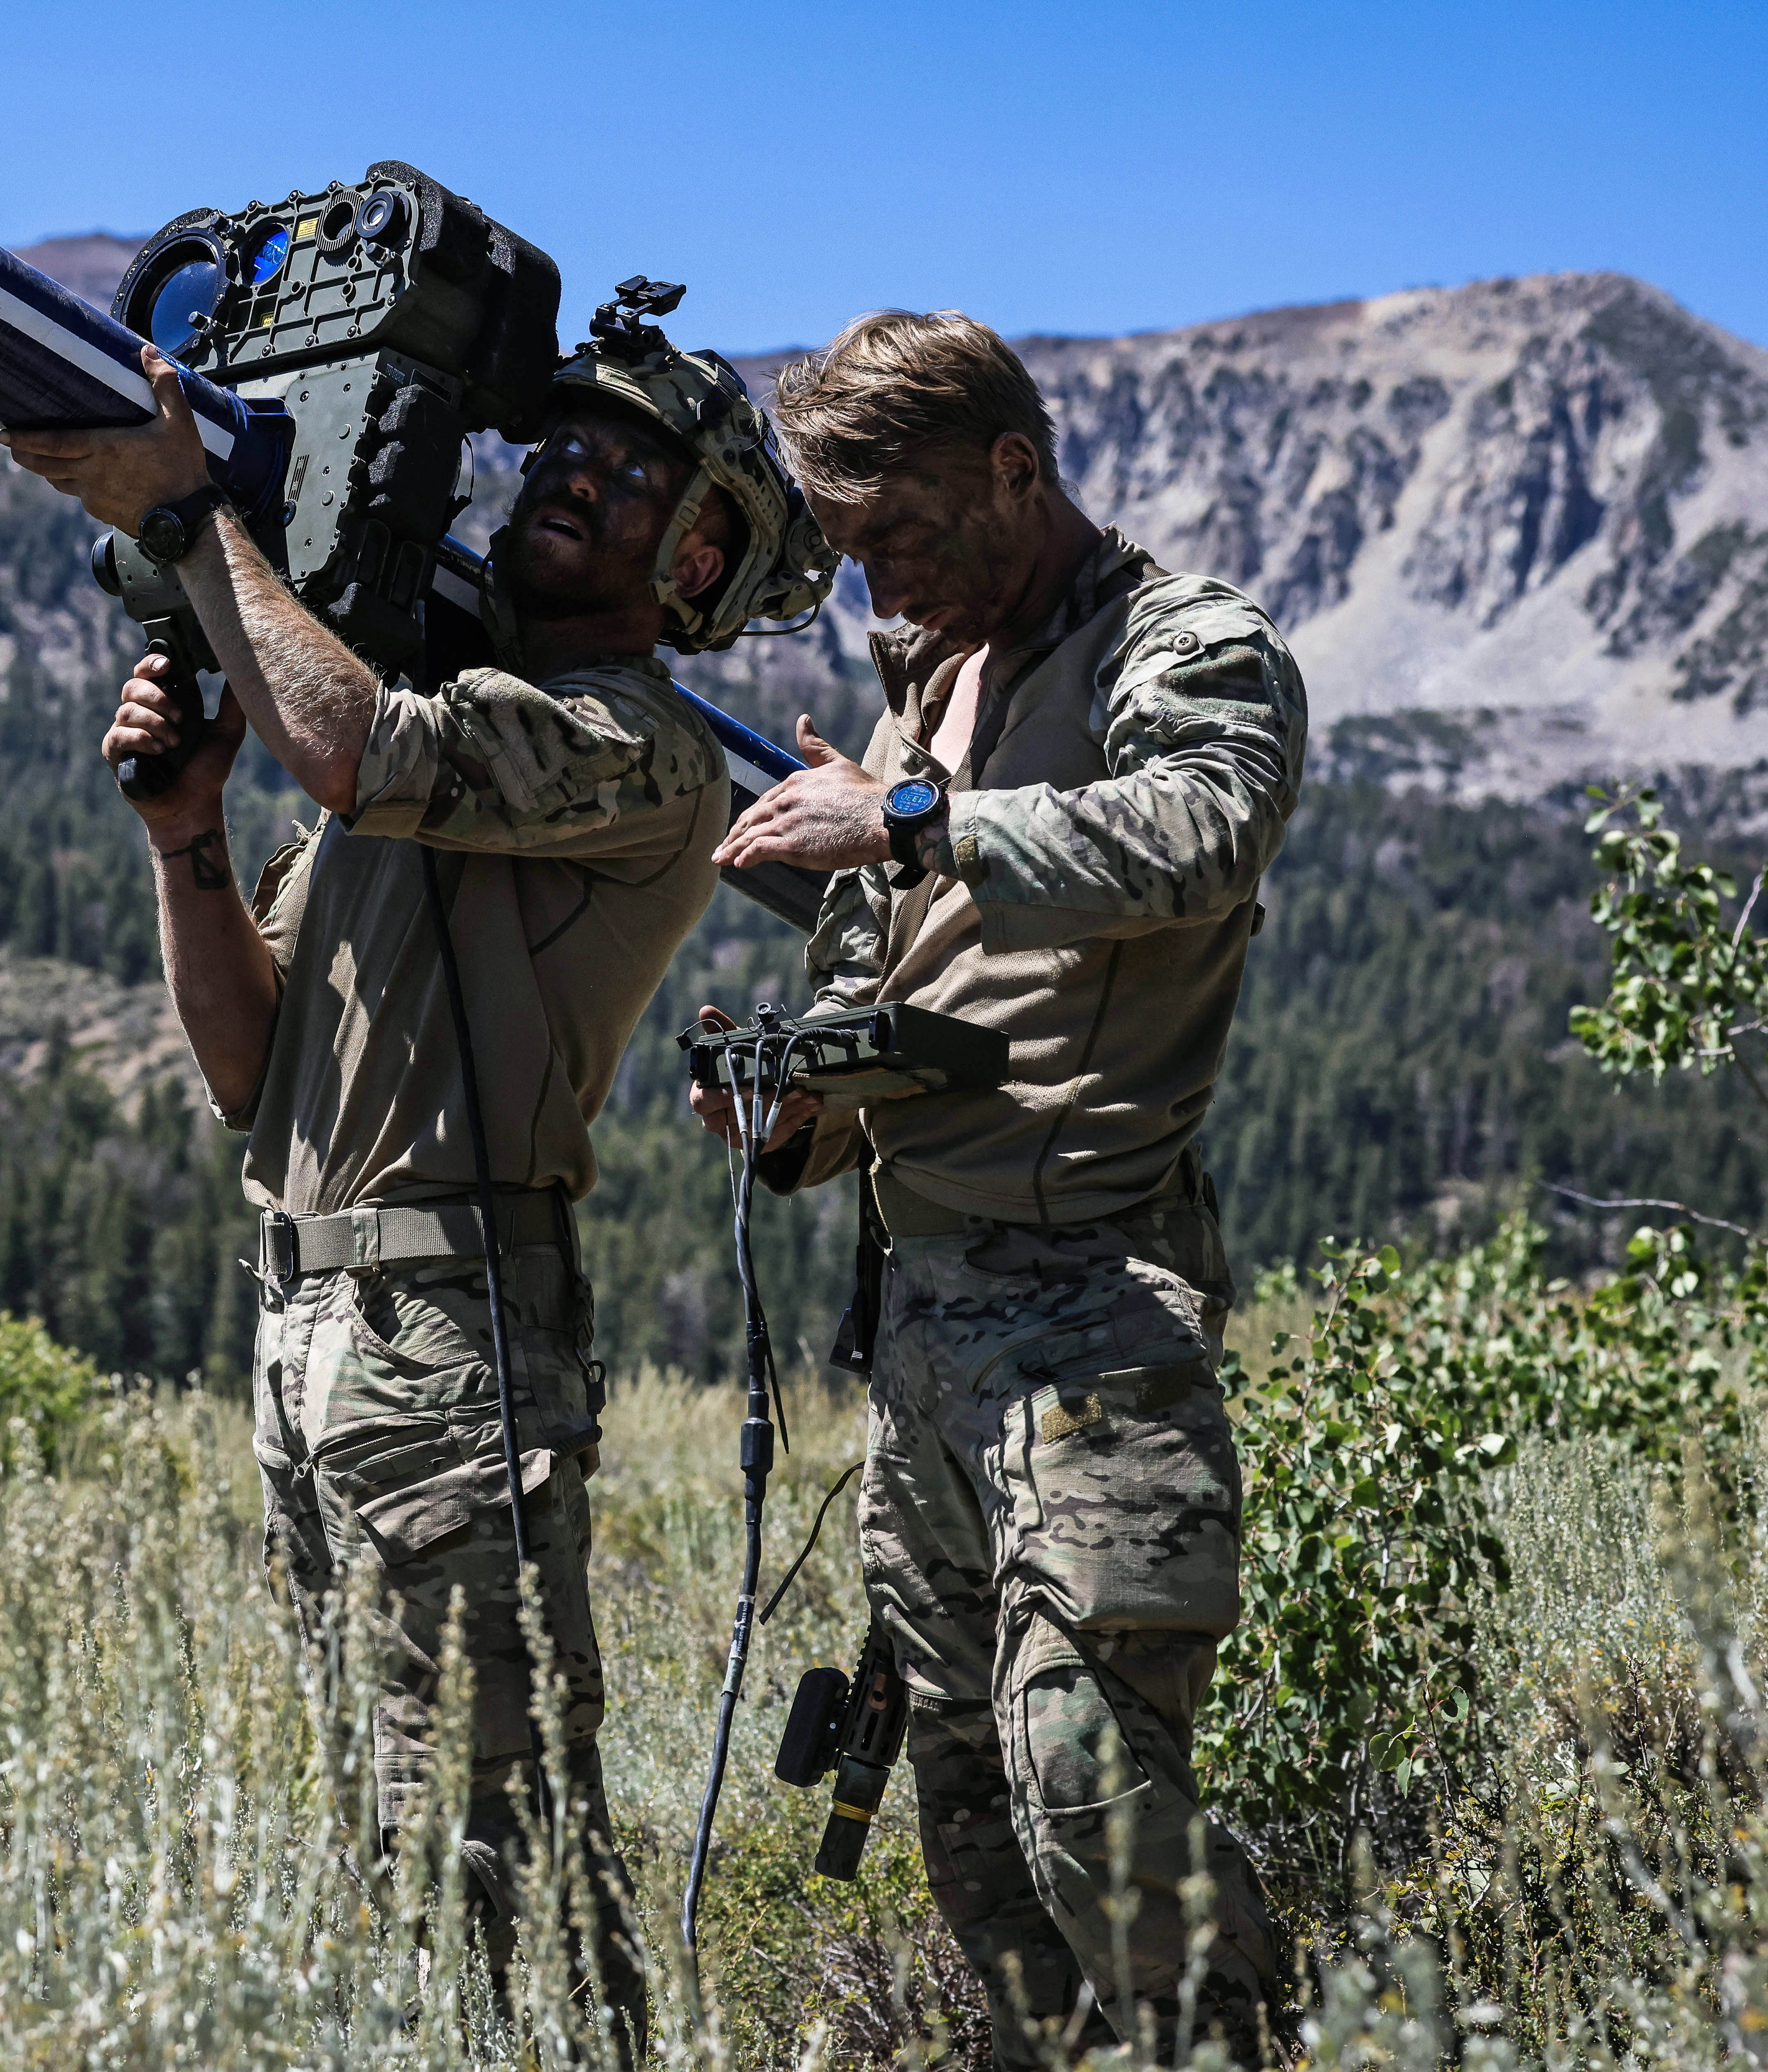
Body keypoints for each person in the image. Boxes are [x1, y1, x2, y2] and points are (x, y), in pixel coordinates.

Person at [1, 305, 830, 2029]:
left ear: (698, 562)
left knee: (499, 1835)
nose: (578, 482)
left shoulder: (642, 751)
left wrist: (189, 511)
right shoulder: (419, 753)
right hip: (311, 1326)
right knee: (387, 1833)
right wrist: (184, 833)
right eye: (569, 451)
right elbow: (254, 1067)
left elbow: (366, 748)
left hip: (453, 1342)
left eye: (634, 481)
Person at [702, 311, 1305, 2065]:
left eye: (892, 538)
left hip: (1094, 1309)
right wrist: (796, 1100)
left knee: (1089, 1777)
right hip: (926, 1333)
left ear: (1012, 473)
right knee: (967, 1800)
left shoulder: (1185, 645)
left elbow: (1201, 835)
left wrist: (901, 818)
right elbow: (878, 973)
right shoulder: (925, 677)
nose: (872, 588)